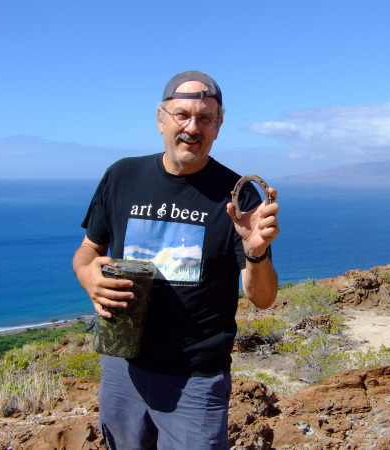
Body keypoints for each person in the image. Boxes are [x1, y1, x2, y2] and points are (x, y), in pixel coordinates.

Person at [72, 70, 280, 449]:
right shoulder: (121, 176)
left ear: (218, 126)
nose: (192, 127)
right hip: (122, 366)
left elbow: (263, 297)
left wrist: (256, 251)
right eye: (182, 115)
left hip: (195, 379)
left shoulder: (238, 197)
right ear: (160, 119)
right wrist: (88, 276)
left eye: (204, 118)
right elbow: (88, 251)